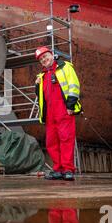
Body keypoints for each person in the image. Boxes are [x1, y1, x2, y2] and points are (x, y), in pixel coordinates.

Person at [35, 47, 82, 181]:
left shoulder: (65, 67)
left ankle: (68, 169)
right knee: (52, 142)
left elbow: (74, 85)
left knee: (66, 139)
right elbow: (40, 96)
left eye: (45, 56)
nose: (44, 60)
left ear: (51, 55)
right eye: (41, 59)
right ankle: (58, 169)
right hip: (50, 113)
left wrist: (71, 105)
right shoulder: (42, 76)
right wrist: (36, 85)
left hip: (64, 110)